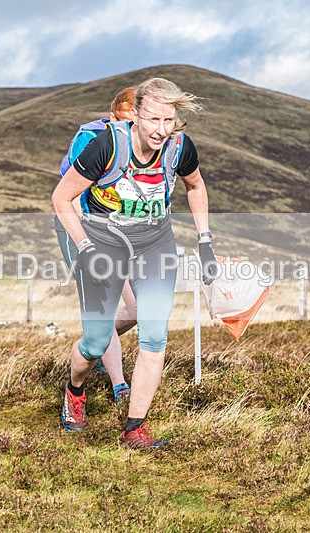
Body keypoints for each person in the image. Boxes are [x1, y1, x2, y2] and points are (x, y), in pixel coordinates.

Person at [53, 77, 218, 448]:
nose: (161, 130)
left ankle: (134, 430)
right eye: (153, 119)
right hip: (104, 243)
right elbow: (61, 198)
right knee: (95, 343)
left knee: (155, 336)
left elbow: (196, 185)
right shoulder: (107, 145)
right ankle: (75, 389)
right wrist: (84, 247)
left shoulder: (179, 148)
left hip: (154, 245)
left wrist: (205, 241)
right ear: (137, 115)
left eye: (168, 121)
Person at [55, 87, 139, 402]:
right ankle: (119, 387)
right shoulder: (92, 139)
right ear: (112, 115)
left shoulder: (145, 146)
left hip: (118, 232)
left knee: (138, 309)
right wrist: (86, 244)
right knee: (105, 305)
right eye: (125, 120)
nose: (130, 127)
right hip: (81, 228)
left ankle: (97, 341)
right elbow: (71, 196)